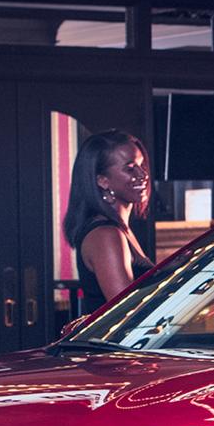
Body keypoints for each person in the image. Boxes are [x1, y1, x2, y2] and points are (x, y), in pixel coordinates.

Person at [63, 129, 154, 315]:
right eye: (130, 168)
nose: (142, 174)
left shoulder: (119, 228)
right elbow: (127, 313)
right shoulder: (106, 234)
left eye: (142, 164)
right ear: (103, 181)